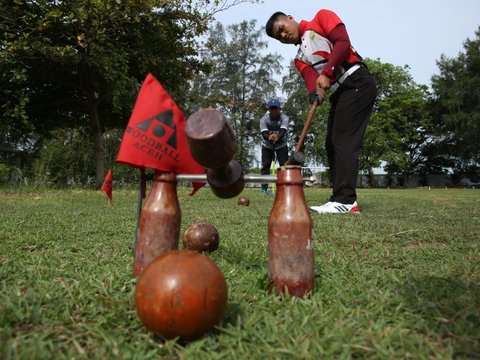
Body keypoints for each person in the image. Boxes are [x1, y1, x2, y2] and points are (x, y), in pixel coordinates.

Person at [266, 9, 377, 213]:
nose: (283, 35)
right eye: (278, 37)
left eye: (282, 29)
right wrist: (313, 94)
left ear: (290, 18)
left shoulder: (321, 18)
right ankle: (340, 198)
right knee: (331, 143)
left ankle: (345, 201)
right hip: (342, 91)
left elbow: (343, 43)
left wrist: (327, 73)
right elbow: (311, 79)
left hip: (357, 81)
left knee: (343, 140)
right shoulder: (299, 58)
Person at [260, 98, 289, 194]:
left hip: (281, 145)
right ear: (268, 110)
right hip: (267, 145)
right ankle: (264, 189)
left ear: (279, 109)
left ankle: (285, 188)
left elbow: (283, 131)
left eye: (275, 109)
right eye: (271, 109)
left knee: (284, 166)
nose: (273, 111)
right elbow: (264, 134)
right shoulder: (264, 119)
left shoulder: (284, 118)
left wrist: (277, 137)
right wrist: (269, 137)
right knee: (265, 166)